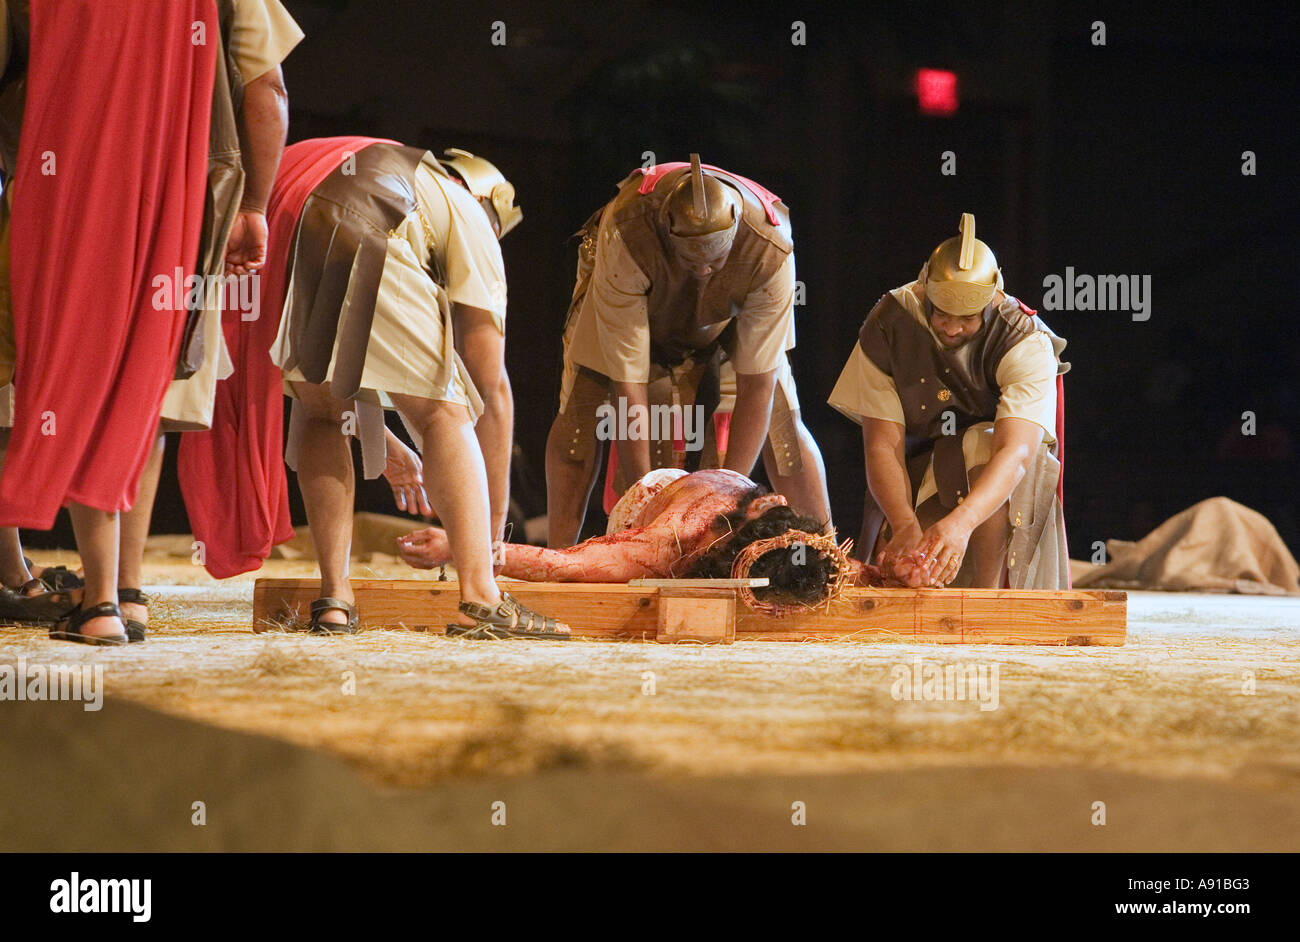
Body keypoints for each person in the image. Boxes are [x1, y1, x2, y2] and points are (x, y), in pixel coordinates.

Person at [0, 0, 302, 641]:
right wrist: (253, 206)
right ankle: (124, 595)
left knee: (57, 378)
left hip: (59, 191)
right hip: (181, 203)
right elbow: (266, 86)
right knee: (148, 389)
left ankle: (82, 593)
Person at [184, 135, 567, 640]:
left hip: (278, 222)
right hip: (358, 209)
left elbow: (348, 377)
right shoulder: (467, 214)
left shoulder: (386, 166)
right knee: (442, 411)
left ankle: (335, 598)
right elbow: (490, 387)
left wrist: (384, 444)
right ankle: (482, 597)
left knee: (321, 413)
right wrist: (492, 535)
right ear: (488, 207)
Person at [544, 154, 830, 547]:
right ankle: (559, 555)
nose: (703, 272)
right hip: (634, 300)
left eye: (714, 261)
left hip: (729, 313)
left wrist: (729, 499)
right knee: (583, 405)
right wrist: (644, 500)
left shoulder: (770, 247)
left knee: (782, 419)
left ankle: (824, 555)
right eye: (692, 261)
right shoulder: (627, 231)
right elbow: (630, 387)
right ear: (667, 234)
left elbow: (757, 387)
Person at [828, 213, 1070, 589]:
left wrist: (962, 523)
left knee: (982, 441)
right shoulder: (890, 322)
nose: (953, 328)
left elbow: (1016, 453)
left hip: (998, 486)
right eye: (942, 313)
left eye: (967, 318)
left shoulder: (1024, 339)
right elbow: (881, 445)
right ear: (926, 288)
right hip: (924, 468)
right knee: (908, 571)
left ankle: (987, 597)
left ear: (990, 302)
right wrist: (904, 524)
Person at [399, 467, 855, 609]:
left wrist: (894, 570)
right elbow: (563, 565)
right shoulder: (667, 546)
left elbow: (854, 568)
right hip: (645, 501)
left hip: (712, 501)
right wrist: (461, 547)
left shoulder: (803, 548)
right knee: (588, 565)